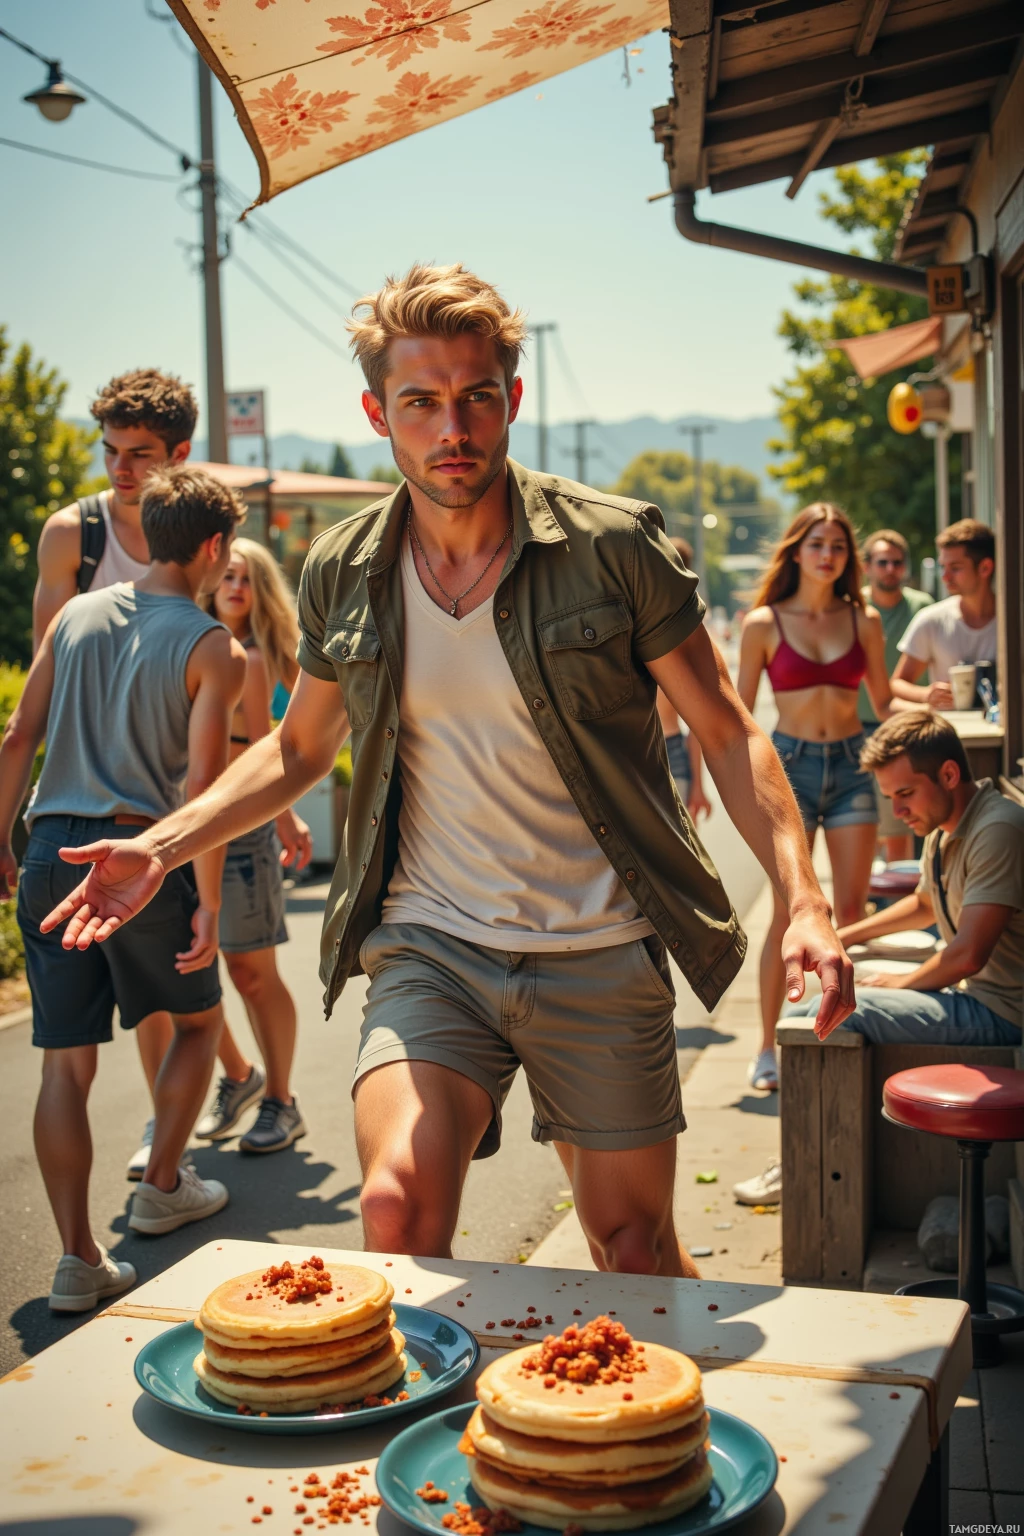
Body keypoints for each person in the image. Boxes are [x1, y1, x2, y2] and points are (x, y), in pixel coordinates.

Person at [40, 263, 853, 1281]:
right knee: (394, 1209)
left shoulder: (611, 546)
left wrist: (804, 898)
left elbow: (730, 736)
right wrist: (160, 847)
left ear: (511, 399)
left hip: (599, 947)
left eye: (475, 398)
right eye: (421, 403)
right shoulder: (347, 566)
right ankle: (436, 1441)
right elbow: (298, 749)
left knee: (634, 1251)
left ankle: (631, 1431)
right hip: (433, 947)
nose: (452, 428)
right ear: (380, 413)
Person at [0, 467, 247, 1311]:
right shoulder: (215, 646)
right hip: (138, 862)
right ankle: (164, 1182)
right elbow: (204, 797)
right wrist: (207, 902)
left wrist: (6, 839)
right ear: (214, 547)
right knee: (200, 1024)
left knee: (64, 1066)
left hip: (49, 854)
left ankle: (77, 1260)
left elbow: (18, 733)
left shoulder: (72, 614)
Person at [32, 369, 196, 1182]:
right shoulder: (76, 535)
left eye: (139, 454)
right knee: (172, 1002)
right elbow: (41, 687)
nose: (121, 470)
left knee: (173, 1000)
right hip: (92, 812)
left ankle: (169, 1139)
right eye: (110, 452)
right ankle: (169, 1162)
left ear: (179, 455)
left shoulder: (197, 536)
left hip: (168, 812)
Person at [736, 503, 895, 1093]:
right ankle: (767, 1046)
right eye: (817, 544)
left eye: (838, 547)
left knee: (851, 915)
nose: (828, 555)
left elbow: (881, 702)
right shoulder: (764, 624)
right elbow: (739, 719)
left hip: (855, 767)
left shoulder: (866, 620)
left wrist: (932, 708)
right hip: (791, 771)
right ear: (797, 551)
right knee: (790, 915)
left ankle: (841, 1036)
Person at [790, 709, 1023, 1048]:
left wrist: (901, 983)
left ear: (949, 774)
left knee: (835, 1012)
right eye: (890, 799)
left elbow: (968, 955)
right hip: (973, 996)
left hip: (1004, 1014)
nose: (898, 813)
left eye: (906, 794)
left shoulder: (998, 830)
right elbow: (925, 904)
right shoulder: (944, 828)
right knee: (811, 1007)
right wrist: (844, 936)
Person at [193, 539, 312, 1152]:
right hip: (181, 834)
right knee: (186, 977)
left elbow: (268, 752)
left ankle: (280, 1100)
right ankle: (239, 1076)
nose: (235, 585)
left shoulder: (263, 657)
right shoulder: (189, 644)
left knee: (251, 972)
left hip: (243, 832)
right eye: (227, 575)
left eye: (247, 577)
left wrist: (286, 818)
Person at [858, 529, 932, 861]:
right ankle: (875, 892)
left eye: (897, 562)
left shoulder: (923, 607)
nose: (890, 568)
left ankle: (895, 901)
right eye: (882, 562)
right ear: (867, 567)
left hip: (905, 726)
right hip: (858, 728)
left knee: (899, 823)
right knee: (864, 823)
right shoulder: (854, 608)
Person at [891, 520, 996, 707]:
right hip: (951, 733)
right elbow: (897, 683)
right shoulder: (931, 619)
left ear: (985, 568)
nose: (945, 577)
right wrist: (927, 694)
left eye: (955, 568)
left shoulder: (1012, 620)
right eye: (942, 567)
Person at [656, 537, 712, 823]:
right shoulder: (621, 622)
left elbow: (697, 724)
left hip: (672, 751)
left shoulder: (688, 633)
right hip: (631, 753)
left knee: (682, 857)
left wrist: (699, 787)